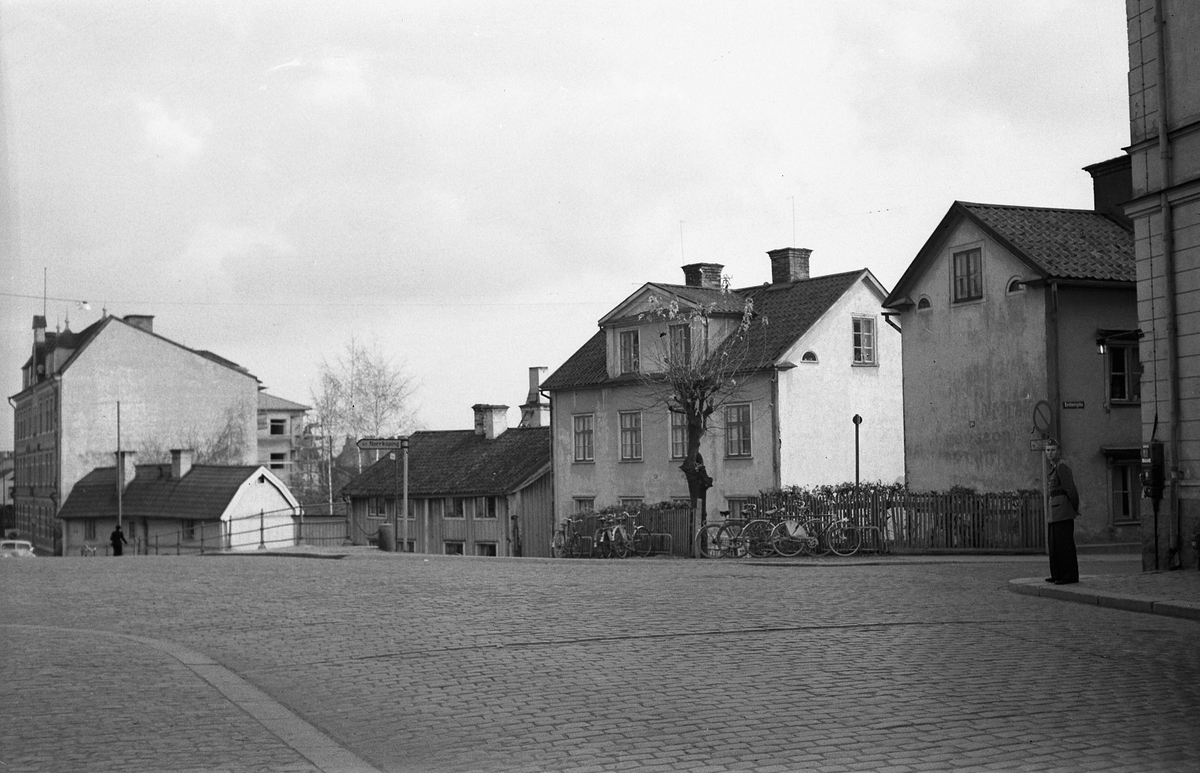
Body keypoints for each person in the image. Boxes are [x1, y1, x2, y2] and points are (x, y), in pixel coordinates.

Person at [1044, 440, 1079, 585]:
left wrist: (1074, 508)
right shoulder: (1053, 468)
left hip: (1063, 511)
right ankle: (1057, 574)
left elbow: (1071, 489)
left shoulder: (1062, 466)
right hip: (1054, 512)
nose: (1050, 453)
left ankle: (1068, 575)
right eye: (1048, 450)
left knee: (1064, 545)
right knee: (1055, 545)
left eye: (1053, 450)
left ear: (1058, 451)